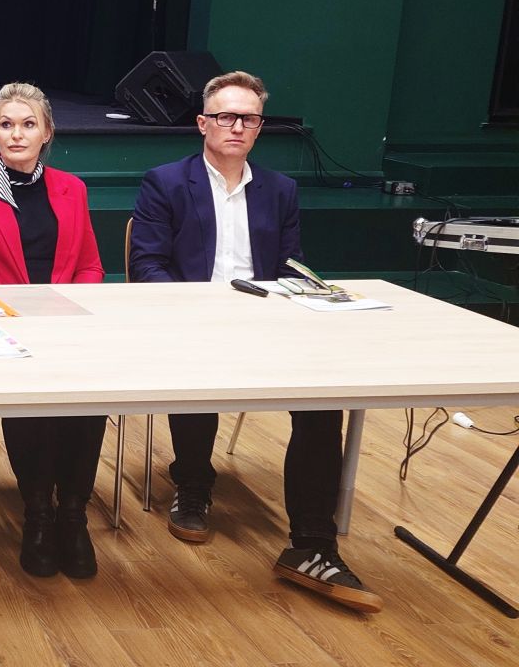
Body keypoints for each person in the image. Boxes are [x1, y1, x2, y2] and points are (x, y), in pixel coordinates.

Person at [130, 70, 381, 613]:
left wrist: (309, 297)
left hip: (267, 324)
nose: (237, 126)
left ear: (260, 127)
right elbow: (146, 264)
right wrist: (198, 311)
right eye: (226, 116)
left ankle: (312, 543)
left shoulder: (280, 190)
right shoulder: (166, 182)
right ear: (203, 123)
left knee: (324, 397)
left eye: (249, 118)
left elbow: (289, 266)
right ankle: (193, 485)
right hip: (193, 321)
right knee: (197, 369)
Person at [0, 83, 106, 578]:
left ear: (46, 132)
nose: (16, 134)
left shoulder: (72, 189)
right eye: (6, 124)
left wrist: (67, 308)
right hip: (0, 324)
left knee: (90, 394)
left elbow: (91, 266)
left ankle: (73, 515)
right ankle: (37, 514)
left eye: (28, 124)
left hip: (65, 322)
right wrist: (21, 306)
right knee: (31, 399)